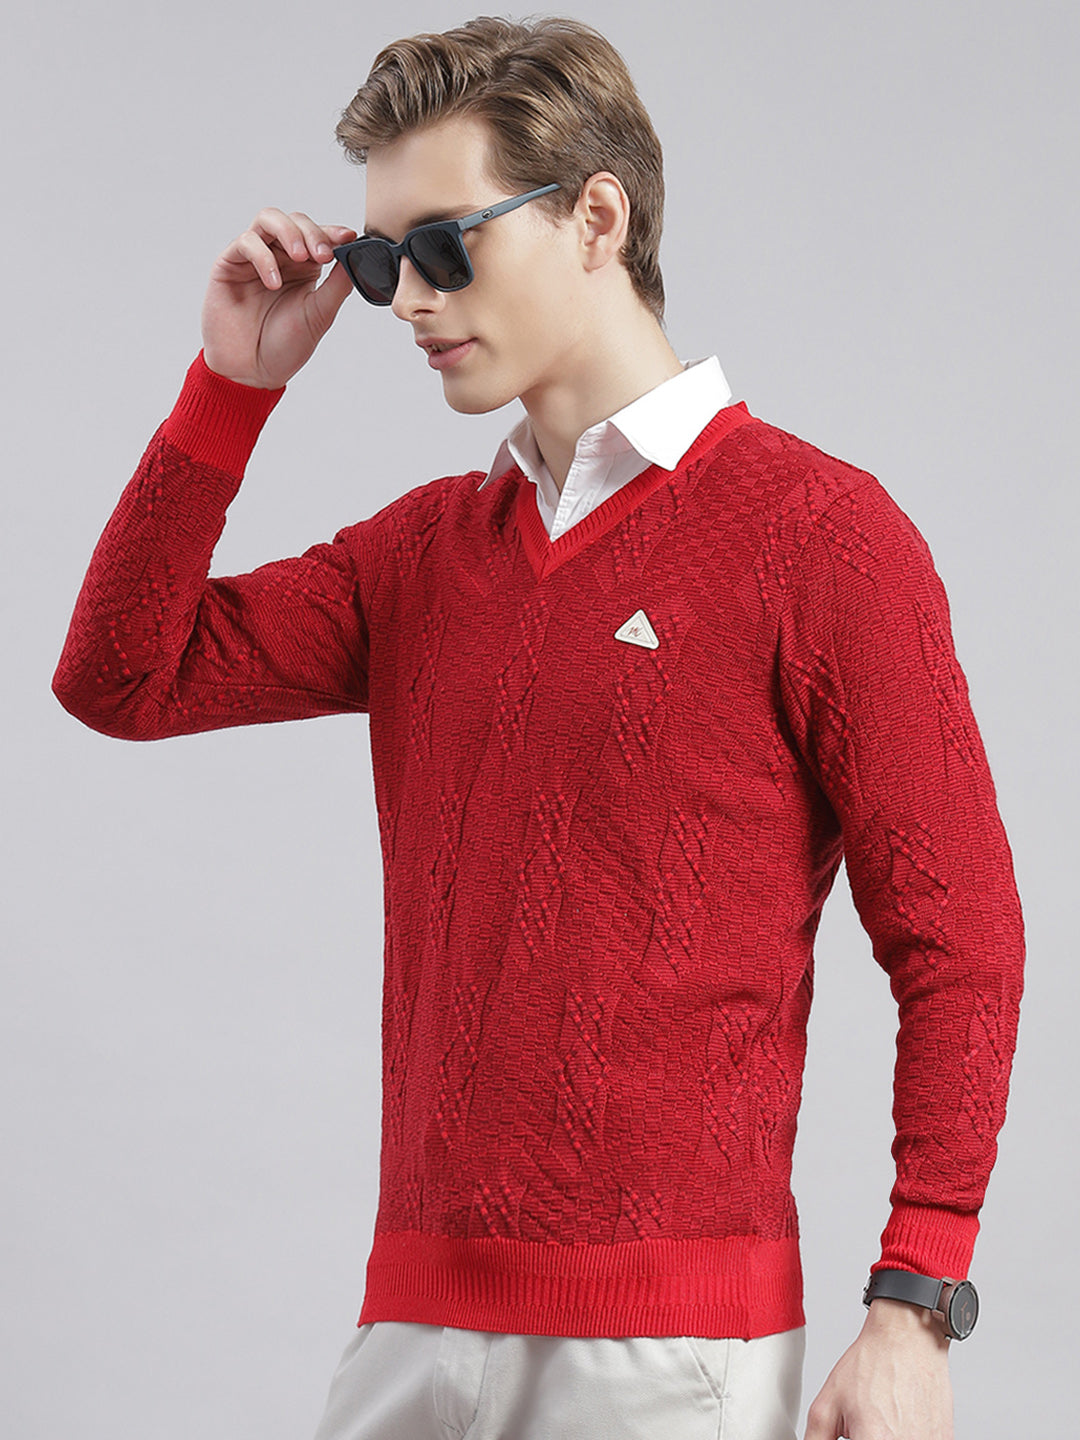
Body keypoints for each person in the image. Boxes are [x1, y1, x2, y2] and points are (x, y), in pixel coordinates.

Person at [52, 15, 1023, 1440]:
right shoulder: (420, 554)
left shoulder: (824, 535)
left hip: (673, 1353)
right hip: (411, 1328)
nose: (405, 299)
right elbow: (121, 678)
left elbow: (963, 935)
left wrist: (914, 1306)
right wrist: (232, 390)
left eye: (443, 246)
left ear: (596, 219)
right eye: (378, 260)